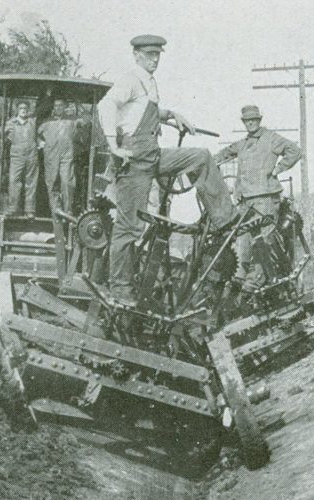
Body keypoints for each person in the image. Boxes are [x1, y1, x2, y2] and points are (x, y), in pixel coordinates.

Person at [97, 34, 236, 303]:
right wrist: (114, 145)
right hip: (135, 160)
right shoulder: (130, 79)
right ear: (136, 55)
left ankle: (225, 219)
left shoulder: (148, 83)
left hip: (152, 154)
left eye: (158, 55)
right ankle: (120, 288)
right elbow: (106, 105)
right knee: (129, 228)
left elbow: (143, 111)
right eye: (149, 55)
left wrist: (172, 115)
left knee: (201, 157)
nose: (155, 59)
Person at [214, 105, 301, 290]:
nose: (251, 122)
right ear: (244, 122)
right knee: (243, 241)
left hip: (265, 198)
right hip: (245, 200)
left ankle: (256, 282)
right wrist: (209, 162)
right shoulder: (243, 143)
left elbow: (294, 150)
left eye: (254, 119)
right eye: (247, 120)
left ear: (259, 120)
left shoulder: (271, 138)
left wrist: (278, 169)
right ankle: (240, 281)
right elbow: (225, 153)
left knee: (264, 240)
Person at [37, 99, 79, 213]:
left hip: (67, 155)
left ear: (65, 106)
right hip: (51, 155)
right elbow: (36, 134)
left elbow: (80, 132)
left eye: (60, 105)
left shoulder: (72, 121)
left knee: (67, 182)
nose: (58, 108)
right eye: (55, 106)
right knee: (52, 182)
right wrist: (40, 142)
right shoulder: (46, 122)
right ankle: (55, 211)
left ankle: (68, 210)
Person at [4, 101, 39, 218]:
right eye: (21, 108)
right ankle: (12, 208)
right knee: (14, 180)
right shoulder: (11, 123)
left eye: (25, 108)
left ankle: (30, 210)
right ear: (17, 110)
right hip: (17, 156)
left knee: (31, 182)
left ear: (28, 110)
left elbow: (44, 108)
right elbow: (1, 131)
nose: (23, 110)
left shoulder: (32, 122)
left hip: (31, 155)